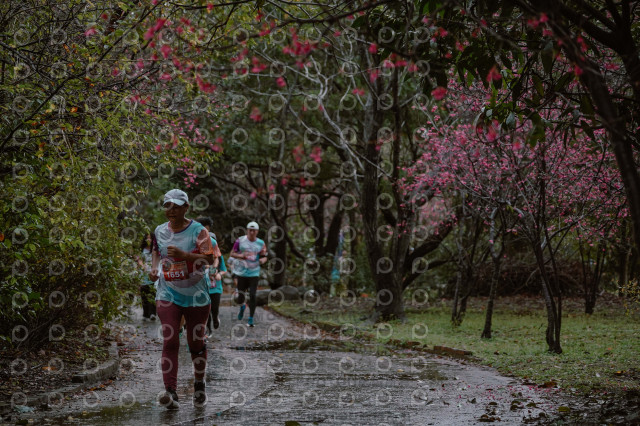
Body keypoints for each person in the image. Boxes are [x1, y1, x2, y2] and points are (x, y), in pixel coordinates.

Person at [149, 189, 221, 409]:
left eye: (176, 206)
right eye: (168, 206)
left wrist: (185, 255)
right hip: (167, 292)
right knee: (170, 339)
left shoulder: (199, 231)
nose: (171, 210)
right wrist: (154, 268)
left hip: (196, 295)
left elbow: (209, 258)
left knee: (195, 343)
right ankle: (170, 391)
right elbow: (156, 251)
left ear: (186, 207)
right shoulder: (159, 230)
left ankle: (199, 383)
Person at [230, 221, 267, 327]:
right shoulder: (240, 240)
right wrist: (241, 256)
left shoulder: (261, 243)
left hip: (254, 273)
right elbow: (232, 253)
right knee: (240, 296)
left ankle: (251, 318)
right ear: (247, 230)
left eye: (254, 230)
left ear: (257, 231)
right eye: (250, 230)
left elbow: (264, 256)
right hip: (241, 272)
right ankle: (242, 306)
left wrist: (262, 260)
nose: (252, 232)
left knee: (253, 295)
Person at [194, 216, 226, 335]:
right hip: (203, 286)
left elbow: (223, 269)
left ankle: (216, 317)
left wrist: (219, 274)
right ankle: (208, 330)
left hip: (215, 287)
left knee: (214, 309)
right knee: (205, 309)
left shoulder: (218, 256)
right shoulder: (195, 248)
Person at [138, 233, 157, 320]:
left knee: (152, 293)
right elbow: (139, 260)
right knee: (144, 294)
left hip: (153, 273)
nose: (148, 240)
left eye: (150, 238)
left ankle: (153, 313)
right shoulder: (142, 250)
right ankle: (145, 314)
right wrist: (142, 266)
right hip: (144, 274)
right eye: (147, 238)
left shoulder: (155, 249)